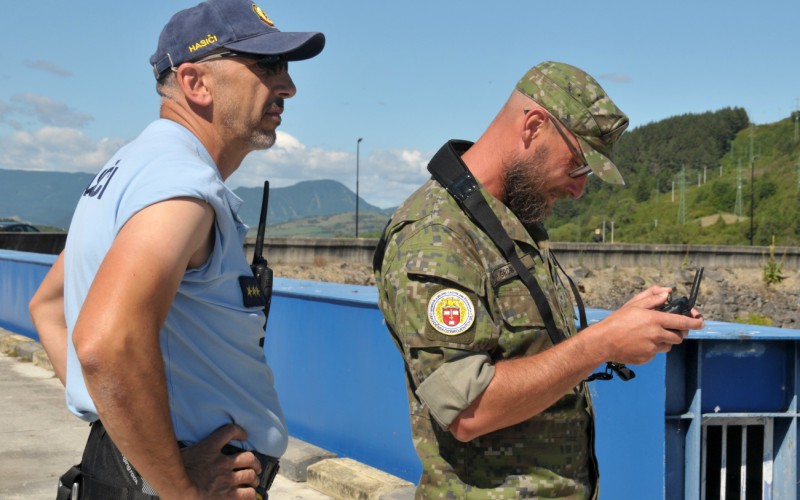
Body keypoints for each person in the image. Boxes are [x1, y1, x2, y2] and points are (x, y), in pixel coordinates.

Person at [28, 1, 324, 498]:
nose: (288, 85)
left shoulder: (129, 169)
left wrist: (121, 431)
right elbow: (105, 343)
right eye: (268, 66)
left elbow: (50, 307)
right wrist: (178, 487)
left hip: (131, 472)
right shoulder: (180, 186)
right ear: (195, 83)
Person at [373, 61, 704, 498]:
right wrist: (601, 342)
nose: (579, 190)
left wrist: (625, 327)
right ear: (533, 126)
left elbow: (541, 357)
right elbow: (467, 409)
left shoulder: (510, 223)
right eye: (577, 167)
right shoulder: (435, 235)